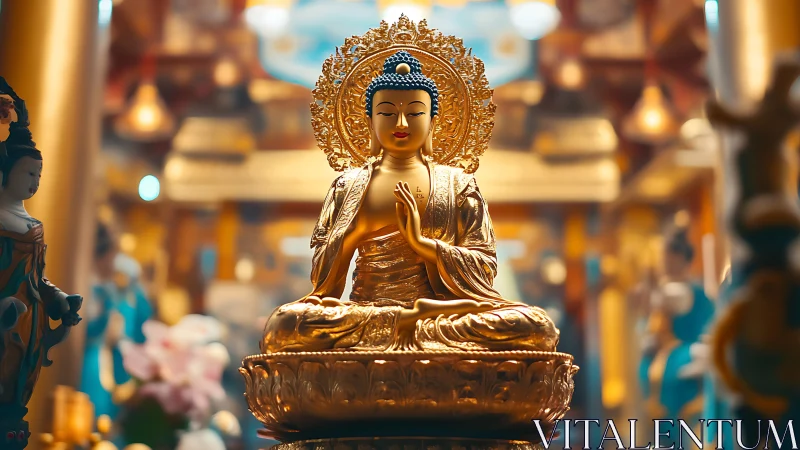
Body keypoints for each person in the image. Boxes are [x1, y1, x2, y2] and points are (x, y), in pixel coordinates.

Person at [261, 51, 558, 353]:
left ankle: (410, 321)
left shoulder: (458, 185)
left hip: (441, 316)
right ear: (370, 122)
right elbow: (322, 282)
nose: (401, 122)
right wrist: (353, 232)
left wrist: (422, 244)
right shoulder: (347, 186)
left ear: (432, 122)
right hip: (367, 313)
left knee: (534, 327)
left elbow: (484, 266)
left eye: (415, 113)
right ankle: (404, 322)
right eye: (387, 113)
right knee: (285, 325)